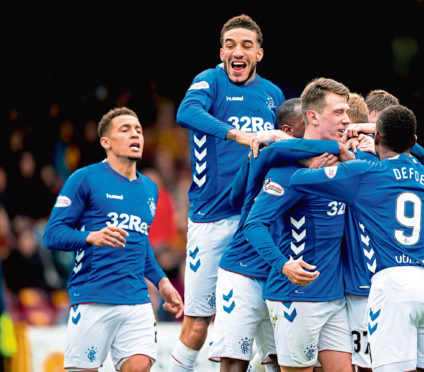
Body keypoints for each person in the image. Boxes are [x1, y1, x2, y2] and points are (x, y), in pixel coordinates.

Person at [290, 105, 424, 371]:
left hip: (392, 285)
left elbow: (300, 180)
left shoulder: (365, 174)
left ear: (377, 138)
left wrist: (321, 165)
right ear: (414, 142)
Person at [170, 14, 286, 372]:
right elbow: (185, 112)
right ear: (222, 52)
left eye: (246, 45)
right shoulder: (210, 82)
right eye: (231, 45)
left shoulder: (272, 95)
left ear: (259, 54)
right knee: (198, 323)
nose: (238, 51)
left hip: (256, 219)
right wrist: (239, 135)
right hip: (211, 218)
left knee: (270, 318)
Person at [43, 107, 184, 372]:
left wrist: (162, 282)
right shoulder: (84, 179)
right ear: (105, 142)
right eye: (125, 129)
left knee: (140, 367)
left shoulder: (149, 188)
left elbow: (140, 245)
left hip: (136, 300)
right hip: (93, 297)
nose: (135, 135)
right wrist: (90, 237)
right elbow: (52, 235)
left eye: (139, 130)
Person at [208, 97, 343, 372]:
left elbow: (236, 197)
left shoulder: (308, 162)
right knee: (235, 361)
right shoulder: (268, 153)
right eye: (304, 124)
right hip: (244, 269)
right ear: (288, 130)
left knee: (282, 363)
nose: (312, 131)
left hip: (280, 276)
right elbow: (238, 199)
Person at [243, 78, 355, 372]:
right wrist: (283, 265)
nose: (346, 119)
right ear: (314, 116)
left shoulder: (346, 162)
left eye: (347, 112)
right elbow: (253, 224)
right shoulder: (288, 172)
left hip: (334, 296)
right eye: (339, 112)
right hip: (296, 296)